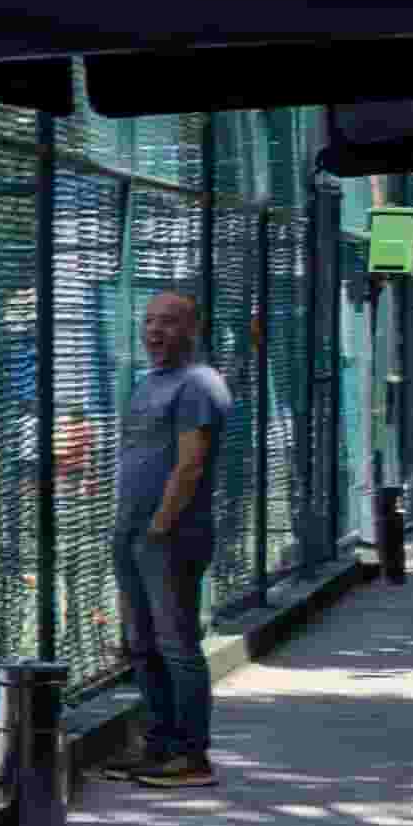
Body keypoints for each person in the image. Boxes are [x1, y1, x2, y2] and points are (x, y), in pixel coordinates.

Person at [109, 286, 232, 786]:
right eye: (150, 321)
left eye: (169, 321)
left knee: (175, 643)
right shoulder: (147, 383)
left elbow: (191, 464)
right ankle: (158, 745)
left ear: (193, 329)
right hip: (132, 532)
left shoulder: (199, 384)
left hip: (171, 536)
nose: (155, 331)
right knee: (141, 643)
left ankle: (192, 756)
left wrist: (160, 526)